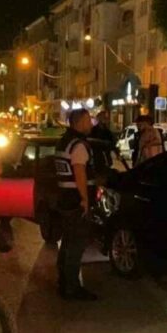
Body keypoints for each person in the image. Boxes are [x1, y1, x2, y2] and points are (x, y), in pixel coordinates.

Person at [55, 109, 97, 300]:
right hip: (76, 201)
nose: (91, 123)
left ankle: (63, 282)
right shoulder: (78, 145)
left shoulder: (64, 142)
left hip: (65, 198)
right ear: (79, 122)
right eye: (88, 120)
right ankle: (72, 287)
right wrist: (85, 199)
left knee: (67, 242)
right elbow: (79, 172)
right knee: (76, 245)